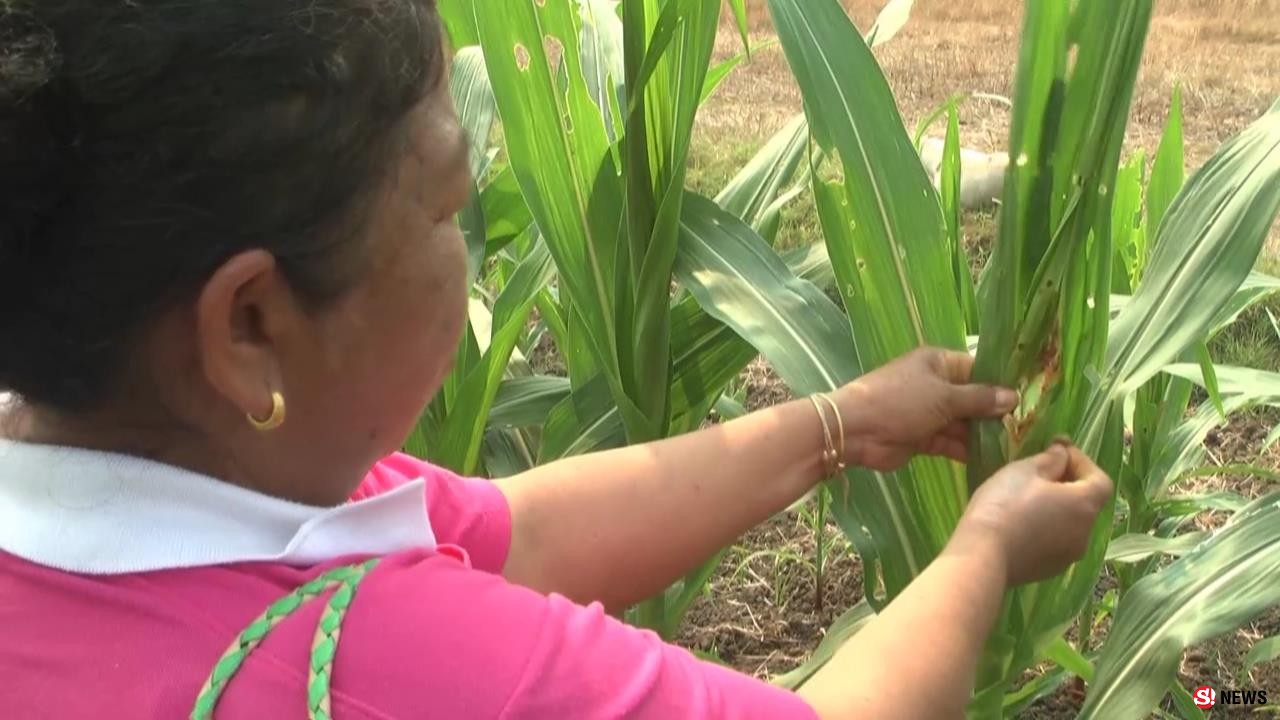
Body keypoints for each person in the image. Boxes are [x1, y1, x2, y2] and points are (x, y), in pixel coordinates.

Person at [0, 0, 1113, 718]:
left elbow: (512, 530)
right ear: (247, 325)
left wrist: (834, 425)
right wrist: (980, 554)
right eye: (445, 203)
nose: (468, 237)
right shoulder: (369, 665)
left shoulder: (221, 471)